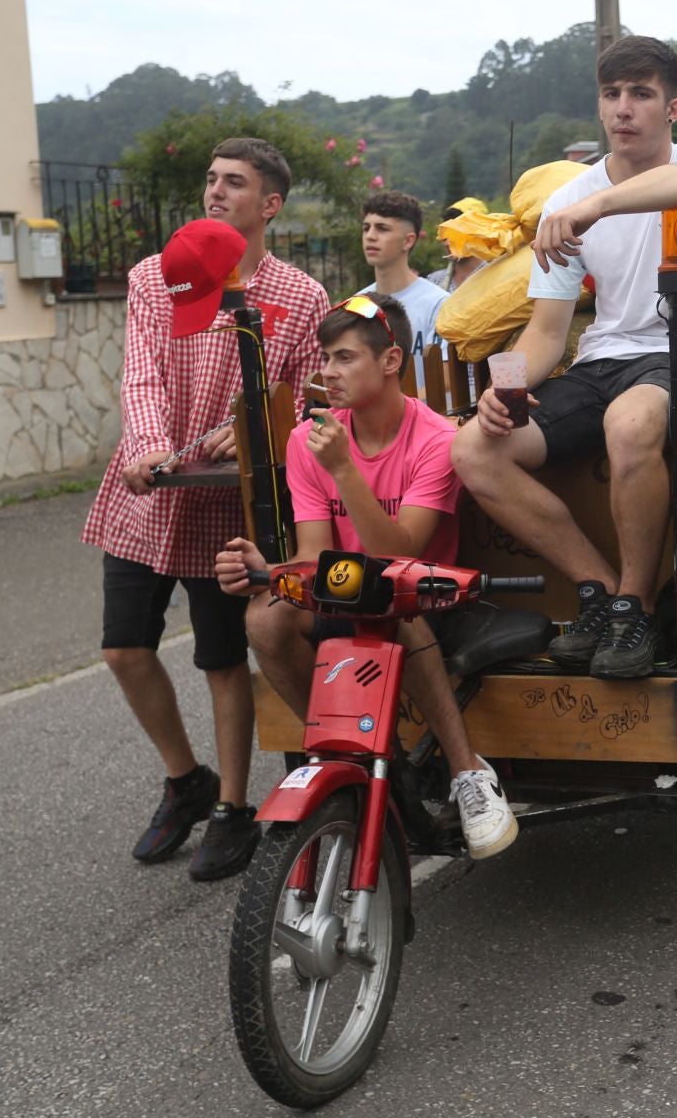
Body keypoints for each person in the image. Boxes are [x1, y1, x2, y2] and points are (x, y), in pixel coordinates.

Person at [452, 35, 677, 680]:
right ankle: (603, 593)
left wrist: (598, 204)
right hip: (602, 358)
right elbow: (546, 333)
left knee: (630, 423)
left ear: (672, 108)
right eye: (612, 95)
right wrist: (501, 388)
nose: (624, 108)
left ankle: (636, 603)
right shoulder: (566, 201)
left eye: (641, 94)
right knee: (476, 448)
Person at [81, 140, 329, 880]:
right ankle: (182, 781)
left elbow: (311, 395)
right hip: (149, 489)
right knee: (124, 647)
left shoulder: (303, 295)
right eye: (211, 181)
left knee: (223, 658)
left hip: (232, 504)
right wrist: (150, 448)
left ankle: (231, 806)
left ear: (271, 204)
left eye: (235, 183)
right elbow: (142, 378)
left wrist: (254, 423)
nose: (215, 193)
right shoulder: (156, 278)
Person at [214, 294, 516, 858]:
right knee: (265, 616)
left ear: (390, 361)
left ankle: (468, 772)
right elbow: (313, 555)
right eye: (325, 357)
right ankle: (339, 755)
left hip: (426, 601)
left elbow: (396, 554)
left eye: (345, 357)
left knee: (388, 600)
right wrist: (266, 573)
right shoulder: (309, 438)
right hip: (343, 594)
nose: (328, 371)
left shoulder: (433, 439)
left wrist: (344, 471)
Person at [356, 190, 447, 391]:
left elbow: (445, 380)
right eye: (366, 228)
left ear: (408, 241)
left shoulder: (439, 304)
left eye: (382, 228)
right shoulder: (357, 303)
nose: (370, 236)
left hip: (429, 416)